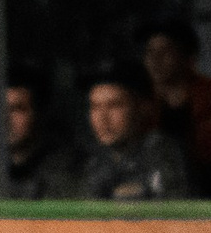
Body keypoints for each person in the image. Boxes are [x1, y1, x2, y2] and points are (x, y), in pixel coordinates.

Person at [138, 16, 211, 196]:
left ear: (188, 58)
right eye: (150, 52)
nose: (155, 59)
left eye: (165, 51)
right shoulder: (144, 106)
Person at [77, 61, 192, 200]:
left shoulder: (163, 151)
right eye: (95, 107)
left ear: (143, 107)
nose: (102, 118)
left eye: (115, 105)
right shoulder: (89, 159)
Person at [5, 63, 83, 199]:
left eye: (17, 109)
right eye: (0, 109)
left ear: (40, 113)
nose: (5, 119)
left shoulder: (72, 171)